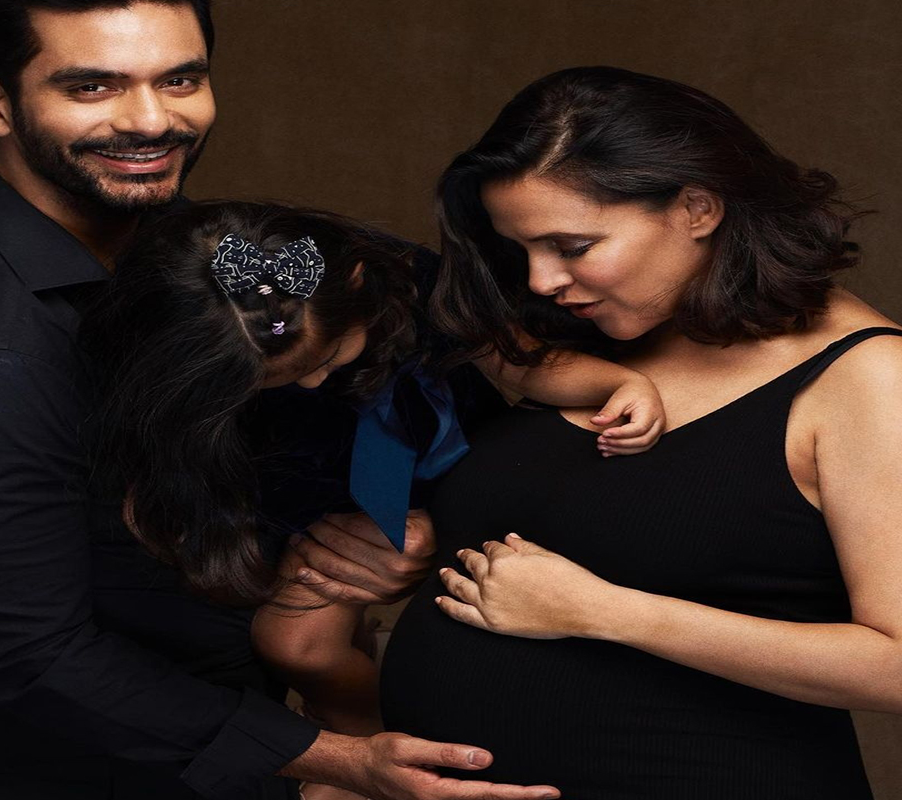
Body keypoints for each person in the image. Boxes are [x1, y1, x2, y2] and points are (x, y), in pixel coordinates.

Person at [0, 2, 550, 797]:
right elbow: (31, 656)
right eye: (92, 87)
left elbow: (385, 383)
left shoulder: (196, 249)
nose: (150, 121)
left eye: (180, 80)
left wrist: (414, 529)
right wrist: (340, 757)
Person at [379, 67, 902, 799]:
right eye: (522, 250)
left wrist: (606, 612)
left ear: (697, 208)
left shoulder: (875, 378)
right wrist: (402, 540)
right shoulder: (586, 342)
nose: (540, 281)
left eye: (573, 246)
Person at [81, 198, 667, 799]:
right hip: (299, 489)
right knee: (294, 646)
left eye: (328, 358)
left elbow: (522, 365)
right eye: (275, 382)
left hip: (424, 466)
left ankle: (395, 738)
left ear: (359, 283)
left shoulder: (424, 286)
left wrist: (619, 382)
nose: (313, 382)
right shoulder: (195, 359)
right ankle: (361, 743)